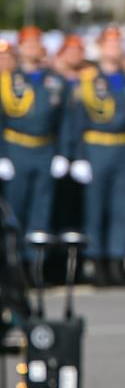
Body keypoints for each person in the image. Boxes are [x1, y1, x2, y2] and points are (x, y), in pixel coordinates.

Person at [63, 27, 125, 287]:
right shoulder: (87, 81)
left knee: (121, 210)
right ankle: (97, 262)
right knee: (95, 209)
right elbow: (75, 120)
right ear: (100, 48)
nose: (114, 49)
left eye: (118, 44)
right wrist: (77, 155)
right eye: (109, 44)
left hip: (123, 148)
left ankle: (116, 262)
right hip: (96, 147)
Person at [0, 27, 69, 272]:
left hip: (45, 148)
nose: (32, 48)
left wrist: (63, 153)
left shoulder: (55, 80)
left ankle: (36, 265)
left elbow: (64, 121)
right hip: (16, 148)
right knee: (15, 208)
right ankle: (14, 263)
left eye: (36, 43)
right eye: (27, 44)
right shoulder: (7, 80)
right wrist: (2, 154)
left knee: (42, 210)